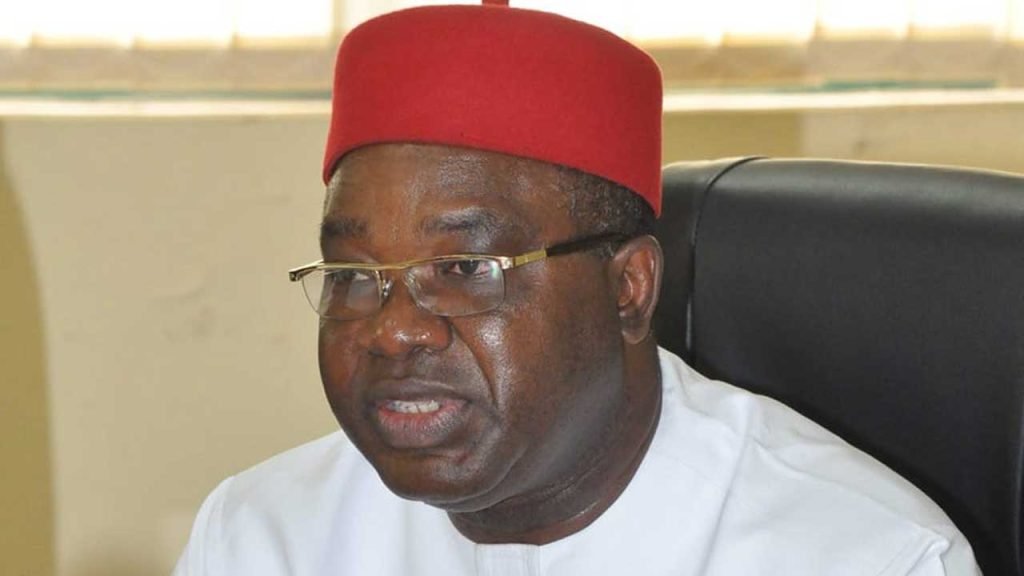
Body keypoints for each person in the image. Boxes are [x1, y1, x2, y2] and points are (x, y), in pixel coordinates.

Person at [173, 1, 980, 574]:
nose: (393, 330)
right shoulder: (262, 539)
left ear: (629, 287)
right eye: (355, 276)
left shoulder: (866, 555)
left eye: (463, 269)